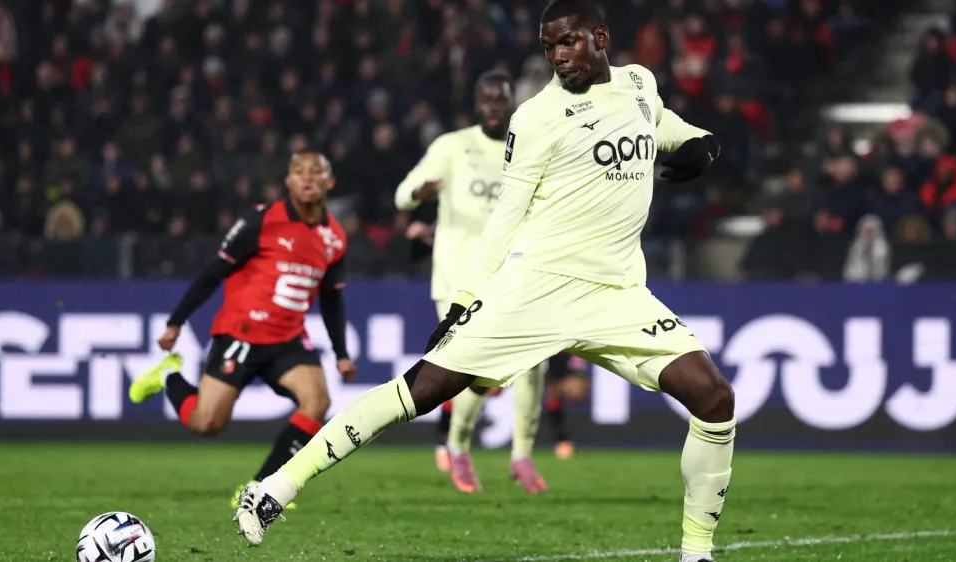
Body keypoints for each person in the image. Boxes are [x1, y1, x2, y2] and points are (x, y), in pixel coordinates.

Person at [236, 2, 733, 561]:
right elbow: (506, 218)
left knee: (714, 397)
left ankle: (697, 553)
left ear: (600, 37)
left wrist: (703, 144)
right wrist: (462, 303)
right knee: (420, 391)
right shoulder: (537, 117)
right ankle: (275, 487)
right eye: (549, 48)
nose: (557, 57)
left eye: (567, 43)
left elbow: (662, 124)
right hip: (537, 289)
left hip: (618, 293)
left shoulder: (640, 83)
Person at [128, 151, 356, 508]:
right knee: (206, 423)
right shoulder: (261, 220)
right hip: (241, 333)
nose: (308, 178)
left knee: (317, 401)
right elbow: (213, 272)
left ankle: (262, 487)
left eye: (317, 172)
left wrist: (341, 353)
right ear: (288, 181)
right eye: (299, 172)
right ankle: (169, 376)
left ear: (331, 182)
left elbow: (331, 299)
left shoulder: (335, 238)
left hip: (288, 340)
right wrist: (176, 320)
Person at [395, 69, 548, 494]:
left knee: (535, 362)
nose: (493, 108)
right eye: (486, 100)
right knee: (471, 368)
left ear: (511, 102)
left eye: (500, 100)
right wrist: (418, 193)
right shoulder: (453, 146)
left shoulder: (529, 149)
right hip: (458, 277)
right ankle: (458, 446)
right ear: (477, 103)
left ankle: (521, 456)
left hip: (513, 273)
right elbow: (401, 193)